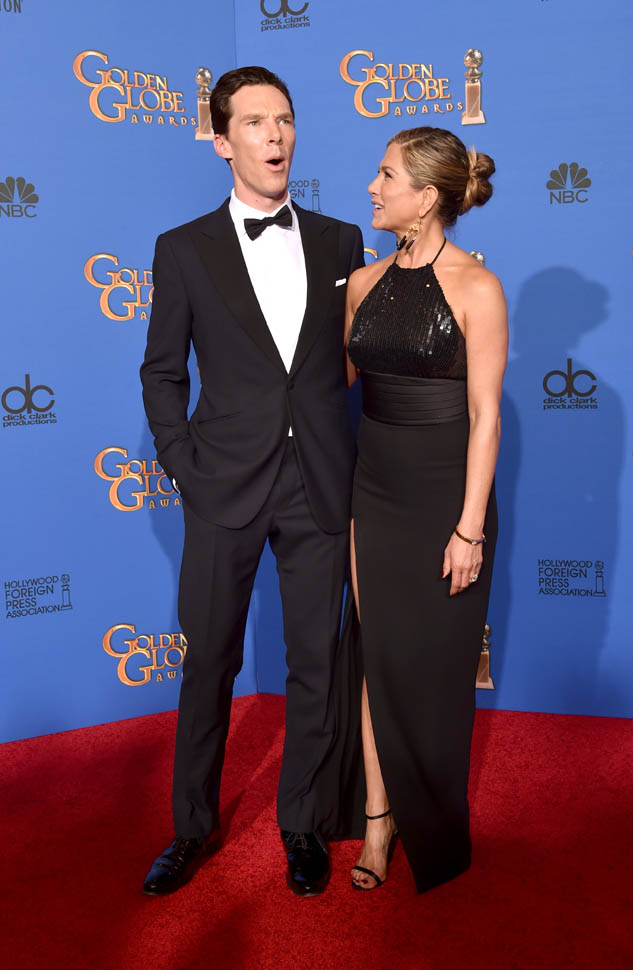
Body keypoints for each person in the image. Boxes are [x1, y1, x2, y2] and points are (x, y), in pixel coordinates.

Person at [139, 65, 364, 897]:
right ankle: (190, 827)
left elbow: (344, 362)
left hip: (317, 484)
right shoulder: (181, 248)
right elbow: (162, 371)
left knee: (314, 665)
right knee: (208, 664)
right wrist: (182, 462)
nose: (275, 135)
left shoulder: (341, 240)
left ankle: (301, 822)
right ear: (222, 141)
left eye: (285, 119)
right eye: (255, 122)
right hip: (222, 486)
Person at [323, 126, 507, 893]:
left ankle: (428, 815)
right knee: (377, 655)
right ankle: (377, 820)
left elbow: (485, 417)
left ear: (425, 197)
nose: (372, 187)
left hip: (445, 495)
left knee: (430, 670)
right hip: (374, 488)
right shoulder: (362, 283)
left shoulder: (476, 287)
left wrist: (468, 529)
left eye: (386, 175)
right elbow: (331, 381)